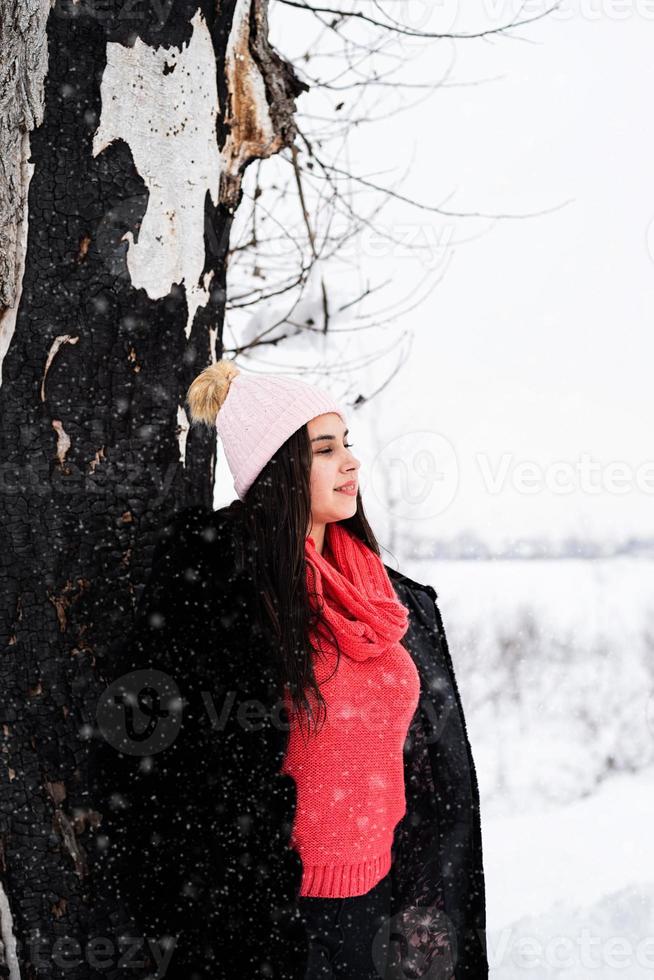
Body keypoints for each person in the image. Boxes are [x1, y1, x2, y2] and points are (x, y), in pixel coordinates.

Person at [89, 359, 487, 980]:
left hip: (382, 900)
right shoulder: (225, 590)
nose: (351, 463)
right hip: (283, 916)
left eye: (347, 445)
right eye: (325, 450)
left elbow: (430, 763)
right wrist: (247, 914)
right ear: (277, 469)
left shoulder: (383, 596)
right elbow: (160, 768)